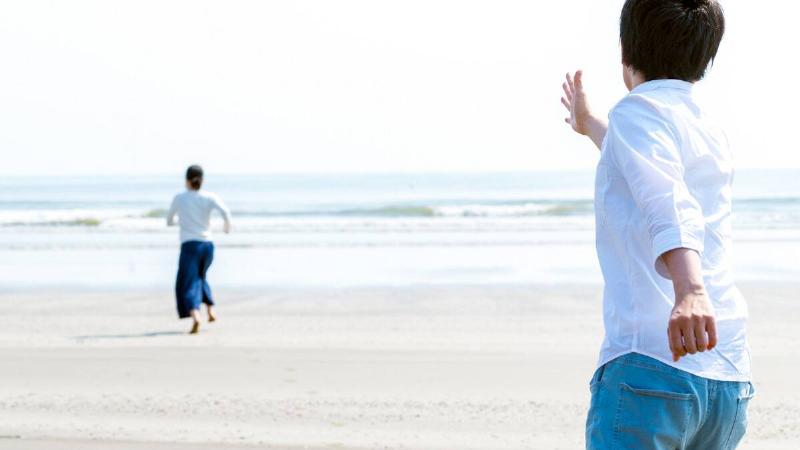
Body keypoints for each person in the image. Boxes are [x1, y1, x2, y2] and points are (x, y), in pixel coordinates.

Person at [560, 1, 753, 448]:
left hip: (653, 362)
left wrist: (689, 289)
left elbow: (667, 198)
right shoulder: (706, 126)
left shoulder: (636, 111)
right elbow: (649, 170)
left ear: (626, 50)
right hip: (726, 377)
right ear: (706, 57)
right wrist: (591, 126)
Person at [167, 165, 232, 334]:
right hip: (208, 245)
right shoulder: (209, 197)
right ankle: (211, 310)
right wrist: (226, 228)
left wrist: (180, 222)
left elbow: (169, 220)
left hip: (190, 245)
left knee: (187, 282)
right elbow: (225, 212)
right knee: (200, 277)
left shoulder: (180, 198)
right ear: (202, 180)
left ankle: (195, 314)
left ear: (187, 180)